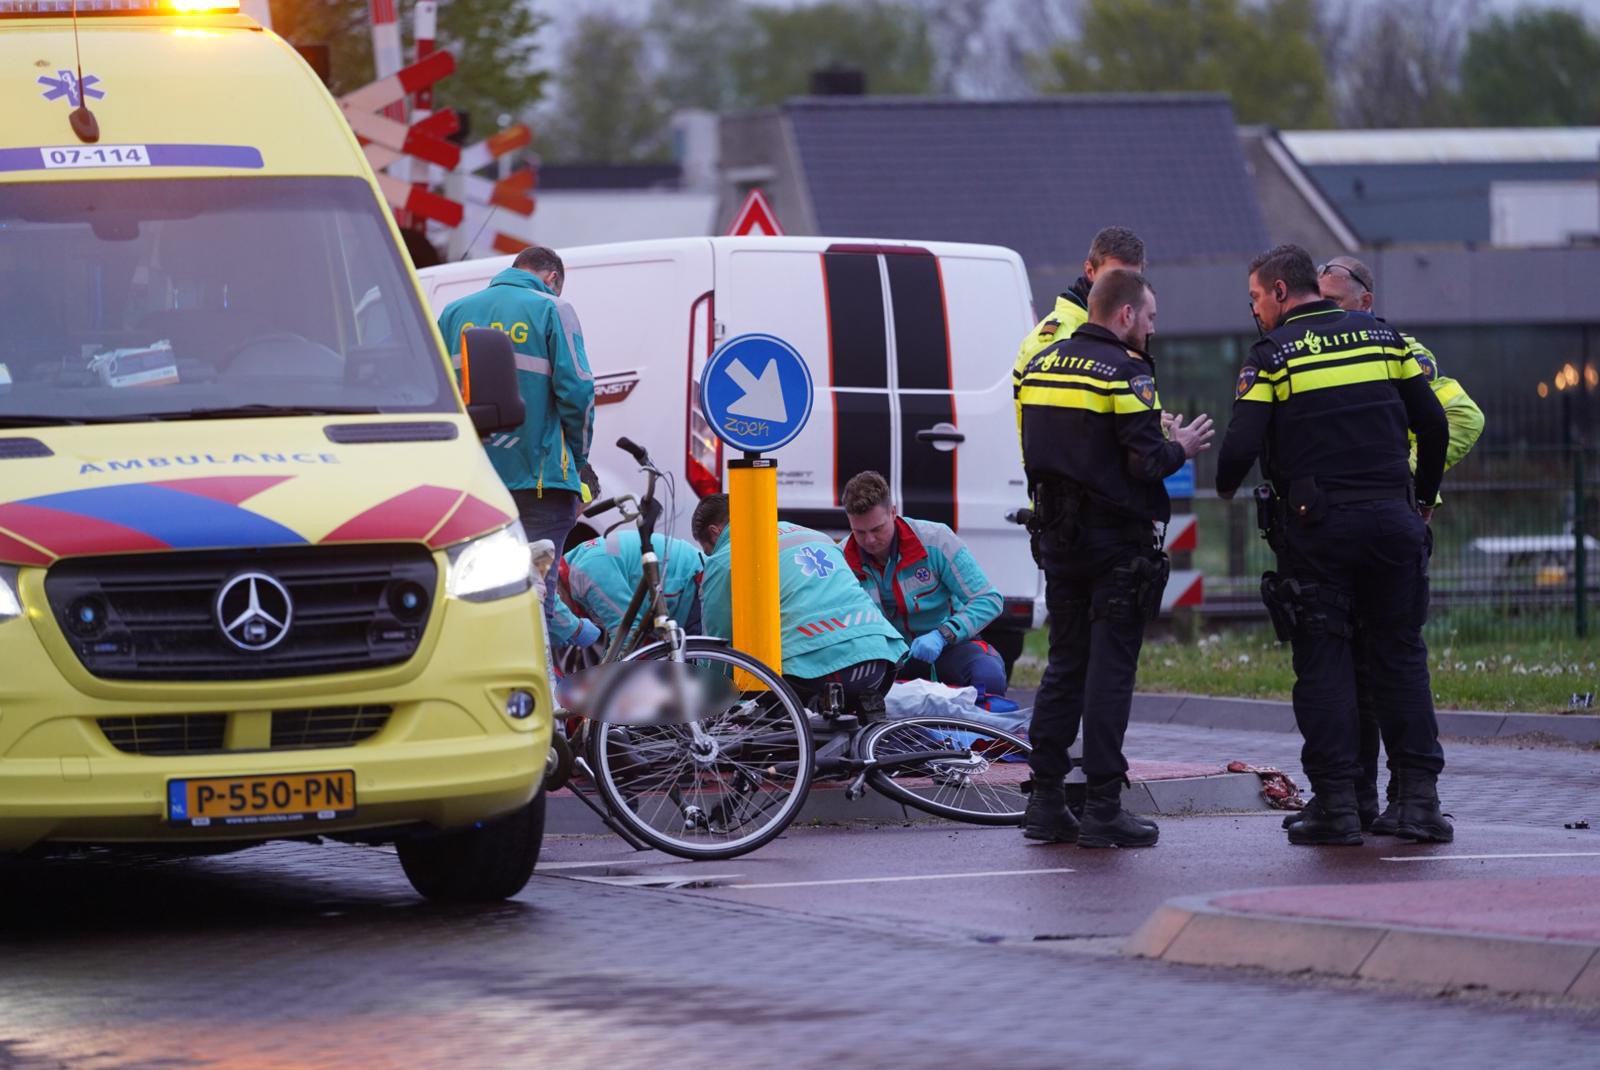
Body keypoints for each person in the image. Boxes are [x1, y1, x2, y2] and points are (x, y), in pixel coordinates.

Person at [1216, 244, 1452, 846]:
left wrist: (1223, 488)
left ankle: (1339, 806)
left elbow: (1241, 446)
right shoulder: (1383, 337)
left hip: (1320, 531)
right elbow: (1433, 423)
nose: (1255, 312)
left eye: (1254, 300)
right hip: (1394, 522)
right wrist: (1420, 499)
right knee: (1400, 658)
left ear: (1277, 292)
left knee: (1324, 664)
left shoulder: (1272, 355)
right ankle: (1418, 804)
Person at [1016, 269, 1213, 848]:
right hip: (1113, 545)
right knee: (1109, 674)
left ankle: (1046, 799)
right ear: (1124, 314)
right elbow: (1145, 463)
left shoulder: (1042, 363)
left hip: (1057, 539)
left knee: (1063, 667)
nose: (1152, 329)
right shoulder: (1127, 371)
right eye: (1150, 317)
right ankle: (1104, 805)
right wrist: (1179, 444)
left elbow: (1056, 446)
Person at [1314, 254, 1484, 834]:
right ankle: (1356, 797)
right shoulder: (1308, 349)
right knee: (1349, 666)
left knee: (1390, 661)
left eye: (1332, 301)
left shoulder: (1397, 349)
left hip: (1387, 521)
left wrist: (1408, 482)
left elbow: (1461, 417)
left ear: (1365, 300)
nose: (1321, 312)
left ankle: (1407, 799)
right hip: (1341, 529)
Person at [436, 245, 596, 624]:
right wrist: (578, 459)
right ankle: (542, 681)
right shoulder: (552, 309)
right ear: (553, 278)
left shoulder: (454, 314)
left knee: (476, 600)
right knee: (538, 602)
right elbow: (578, 394)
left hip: (474, 484)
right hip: (541, 482)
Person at [692, 494, 907, 710]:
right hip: (880, 659)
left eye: (708, 550)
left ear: (715, 531)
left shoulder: (724, 558)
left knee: (760, 723)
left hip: (813, 670)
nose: (711, 555)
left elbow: (718, 643)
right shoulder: (816, 536)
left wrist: (711, 698)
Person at [838, 470, 1008, 697]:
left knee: (989, 675)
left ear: (893, 513)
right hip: (883, 657)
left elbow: (989, 600)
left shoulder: (936, 540)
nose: (869, 540)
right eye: (859, 532)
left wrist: (942, 634)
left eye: (877, 529)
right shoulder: (840, 559)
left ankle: (978, 733)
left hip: (946, 647)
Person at [1013, 226, 1146, 433]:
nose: (1124, 289)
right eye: (1114, 278)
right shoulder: (1055, 338)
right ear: (1090, 271)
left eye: (1133, 280)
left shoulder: (1124, 328)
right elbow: (1051, 433)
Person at [547, 530, 705, 650]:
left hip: (691, 583)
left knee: (697, 676)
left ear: (558, 594)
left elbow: (626, 632)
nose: (574, 615)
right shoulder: (573, 565)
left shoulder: (585, 574)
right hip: (682, 583)